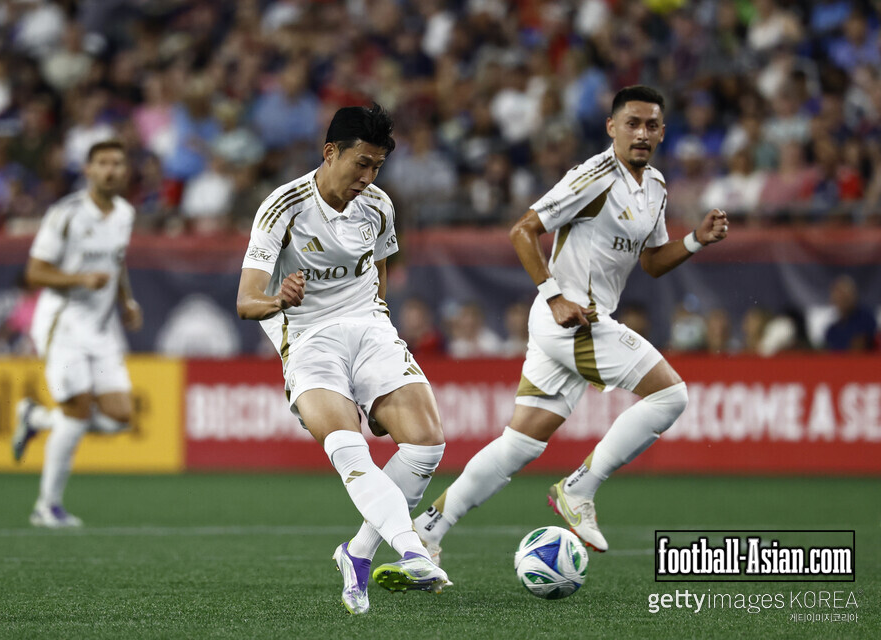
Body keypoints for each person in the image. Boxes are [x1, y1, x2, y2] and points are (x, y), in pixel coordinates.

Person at [414, 86, 729, 559]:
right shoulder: (594, 176)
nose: (641, 133)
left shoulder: (657, 188)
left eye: (651, 125)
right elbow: (522, 230)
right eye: (632, 124)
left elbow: (651, 263)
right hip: (571, 319)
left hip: (574, 322)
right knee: (670, 395)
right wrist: (554, 295)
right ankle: (580, 489)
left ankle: (427, 530)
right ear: (612, 128)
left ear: (662, 132)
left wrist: (695, 241)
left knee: (518, 446)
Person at [235, 104, 451, 615]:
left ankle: (357, 554)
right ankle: (414, 549)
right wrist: (279, 300)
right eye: (361, 163)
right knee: (349, 447)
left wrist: (376, 330)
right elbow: (246, 302)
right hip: (309, 339)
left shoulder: (378, 206)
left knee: (427, 444)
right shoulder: (282, 207)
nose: (368, 177)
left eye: (377, 167)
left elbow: (375, 276)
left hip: (371, 329)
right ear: (330, 152)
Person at [9, 140, 143, 528]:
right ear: (88, 170)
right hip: (63, 322)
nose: (110, 170)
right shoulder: (65, 214)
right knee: (78, 410)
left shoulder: (125, 213)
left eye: (117, 163)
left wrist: (127, 302)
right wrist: (79, 278)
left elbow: (117, 263)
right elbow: (35, 272)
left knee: (120, 417)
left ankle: (36, 419)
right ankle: (46, 506)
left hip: (101, 328)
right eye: (102, 163)